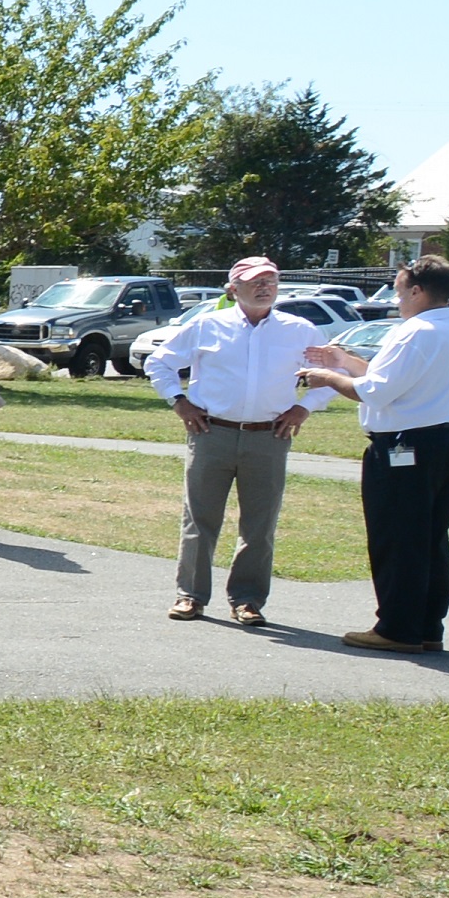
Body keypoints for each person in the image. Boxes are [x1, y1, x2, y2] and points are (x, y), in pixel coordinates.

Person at [143, 255, 338, 628]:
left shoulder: (299, 330)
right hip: (211, 432)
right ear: (233, 290)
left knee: (260, 525)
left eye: (271, 281)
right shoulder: (206, 326)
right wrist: (179, 402)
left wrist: (305, 407)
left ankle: (247, 600)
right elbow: (159, 363)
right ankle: (191, 596)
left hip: (269, 436)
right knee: (199, 519)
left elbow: (333, 373)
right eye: (255, 281)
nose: (265, 287)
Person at [301, 254, 449, 652]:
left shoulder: (414, 332)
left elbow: (377, 391)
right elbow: (397, 379)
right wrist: (344, 361)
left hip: (408, 446)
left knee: (398, 538)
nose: (395, 300)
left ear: (417, 291)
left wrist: (327, 377)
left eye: (399, 291)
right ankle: (427, 625)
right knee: (431, 537)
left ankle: (398, 628)